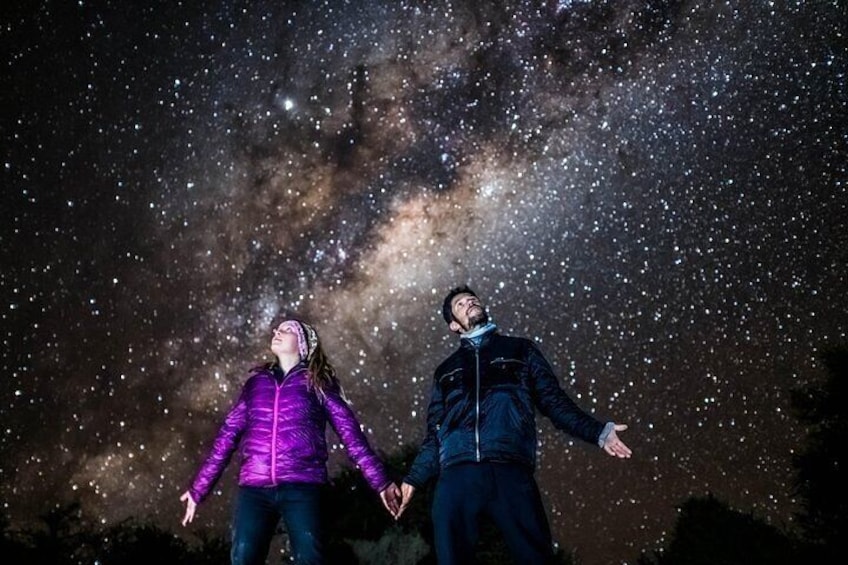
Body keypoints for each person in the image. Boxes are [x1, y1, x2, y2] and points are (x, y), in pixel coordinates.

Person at [397, 285, 632, 564]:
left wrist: (598, 432)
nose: (469, 302)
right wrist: (414, 477)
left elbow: (554, 402)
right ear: (453, 325)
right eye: (460, 304)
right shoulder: (445, 371)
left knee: (535, 556)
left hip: (509, 470)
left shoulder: (520, 349)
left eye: (472, 299)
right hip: (457, 475)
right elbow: (435, 433)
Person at [180, 318, 401, 565]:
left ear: (304, 344)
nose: (277, 332)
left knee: (311, 558)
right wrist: (198, 488)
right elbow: (226, 437)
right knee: (242, 557)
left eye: (287, 330)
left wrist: (381, 481)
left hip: (302, 485)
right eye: (277, 329)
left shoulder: (318, 383)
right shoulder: (255, 384)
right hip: (255, 488)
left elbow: (352, 436)